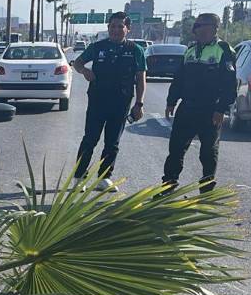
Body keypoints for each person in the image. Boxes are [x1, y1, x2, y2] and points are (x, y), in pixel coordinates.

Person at [70, 11, 147, 192]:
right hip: (98, 100)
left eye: (120, 26)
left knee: (112, 142)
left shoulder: (136, 50)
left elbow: (141, 78)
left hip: (121, 102)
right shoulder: (97, 47)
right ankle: (79, 177)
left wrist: (139, 103)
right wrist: (85, 71)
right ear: (108, 28)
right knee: (90, 139)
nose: (116, 29)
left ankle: (104, 178)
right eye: (113, 26)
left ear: (127, 29)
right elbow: (78, 63)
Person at [161, 13, 236, 193]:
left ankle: (206, 189)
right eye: (197, 26)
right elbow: (179, 78)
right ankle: (169, 184)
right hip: (187, 107)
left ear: (214, 28)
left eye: (203, 26)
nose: (199, 30)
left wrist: (221, 109)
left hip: (210, 110)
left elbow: (229, 84)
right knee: (176, 149)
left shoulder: (223, 50)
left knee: (208, 152)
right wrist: (171, 101)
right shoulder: (191, 49)